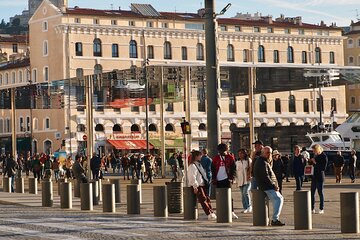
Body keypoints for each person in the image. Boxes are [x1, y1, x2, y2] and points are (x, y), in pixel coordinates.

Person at [253, 146, 285, 226]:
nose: (269, 154)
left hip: (267, 186)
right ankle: (275, 219)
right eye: (267, 153)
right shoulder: (262, 162)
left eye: (270, 153)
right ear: (263, 153)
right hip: (267, 186)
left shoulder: (264, 161)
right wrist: (273, 185)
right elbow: (265, 176)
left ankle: (274, 219)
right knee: (279, 199)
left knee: (278, 199)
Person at [188, 150, 216, 220]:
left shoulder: (198, 164)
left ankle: (211, 212)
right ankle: (209, 213)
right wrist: (195, 186)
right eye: (200, 155)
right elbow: (192, 177)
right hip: (198, 185)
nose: (201, 157)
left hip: (202, 184)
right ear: (196, 156)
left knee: (207, 198)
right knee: (203, 199)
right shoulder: (193, 166)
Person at [211, 143, 238, 219]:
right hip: (218, 179)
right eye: (220, 151)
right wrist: (213, 179)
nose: (222, 152)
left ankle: (231, 211)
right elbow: (213, 169)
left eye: (223, 151)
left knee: (229, 196)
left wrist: (232, 177)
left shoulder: (230, 157)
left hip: (227, 178)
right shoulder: (216, 158)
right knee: (219, 196)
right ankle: (220, 210)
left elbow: (233, 168)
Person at [309, 144, 328, 214]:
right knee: (312, 193)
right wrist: (310, 161)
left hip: (320, 177)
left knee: (320, 193)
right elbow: (312, 165)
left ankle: (321, 208)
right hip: (314, 177)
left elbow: (323, 168)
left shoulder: (324, 156)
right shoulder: (315, 156)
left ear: (317, 149)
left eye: (314, 151)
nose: (313, 152)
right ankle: (312, 208)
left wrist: (315, 162)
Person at [235, 149, 252, 213]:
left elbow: (251, 168)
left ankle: (249, 206)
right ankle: (245, 207)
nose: (240, 155)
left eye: (242, 153)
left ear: (245, 154)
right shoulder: (237, 162)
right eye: (239, 153)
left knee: (246, 192)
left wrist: (250, 175)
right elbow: (236, 171)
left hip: (247, 180)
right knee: (242, 194)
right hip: (240, 180)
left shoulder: (248, 160)